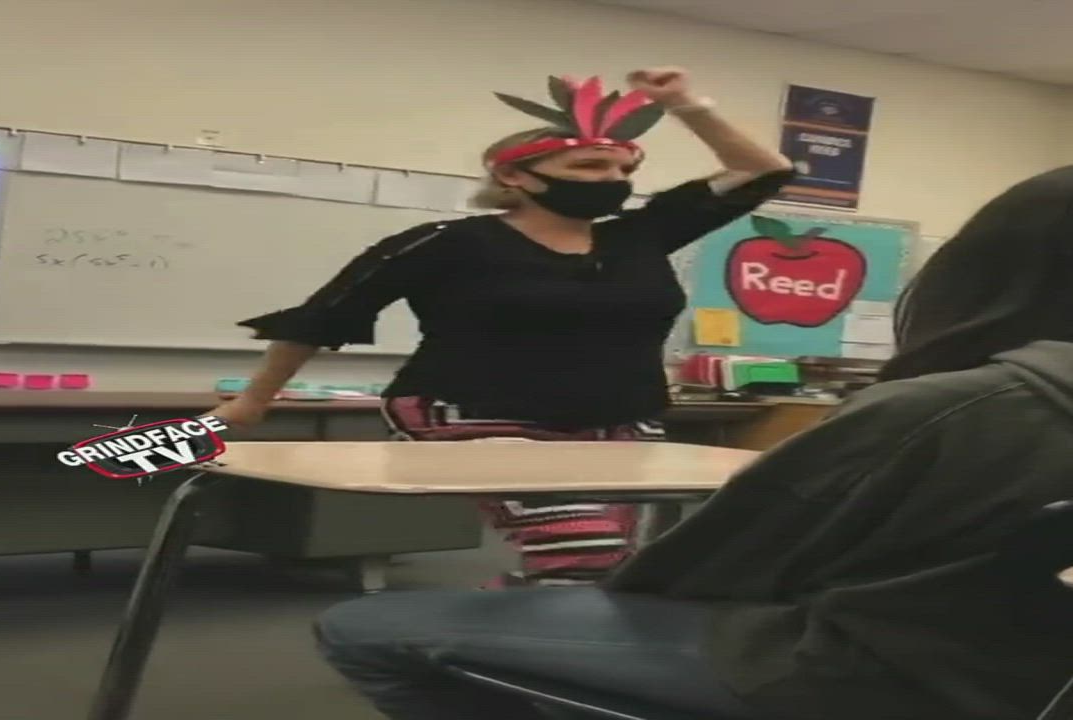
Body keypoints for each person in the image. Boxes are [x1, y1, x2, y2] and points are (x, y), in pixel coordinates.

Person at [313, 157, 1073, 720]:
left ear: (987, 270)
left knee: (372, 626)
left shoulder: (948, 410)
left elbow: (702, 574)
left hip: (869, 681)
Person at [209, 67, 795, 587]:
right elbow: (323, 317)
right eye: (589, 165)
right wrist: (254, 402)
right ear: (515, 176)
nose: (612, 177)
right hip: (473, 414)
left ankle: (505, 627)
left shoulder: (641, 235)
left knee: (621, 567)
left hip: (619, 422)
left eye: (624, 166)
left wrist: (686, 105)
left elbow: (763, 170)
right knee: (586, 554)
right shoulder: (445, 243)